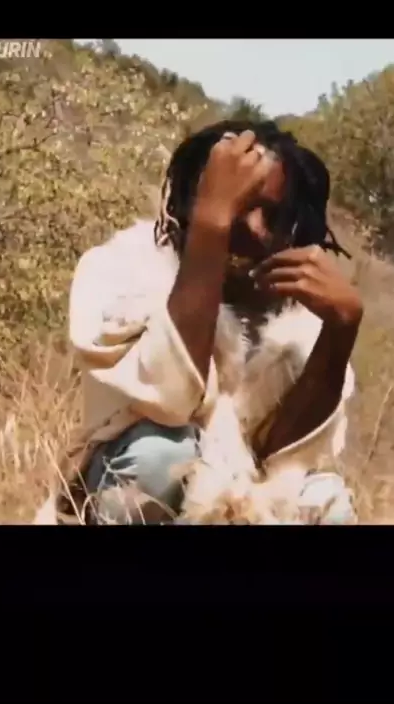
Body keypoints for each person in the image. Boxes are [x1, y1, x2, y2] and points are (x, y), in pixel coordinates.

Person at [34, 119, 363, 526]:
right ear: (192, 201)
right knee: (162, 454)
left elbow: (284, 461)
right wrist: (212, 226)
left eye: (273, 215)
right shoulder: (125, 270)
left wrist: (341, 329)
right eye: (240, 205)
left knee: (327, 500)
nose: (256, 229)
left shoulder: (300, 317)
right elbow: (169, 401)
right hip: (128, 493)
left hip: (240, 507)